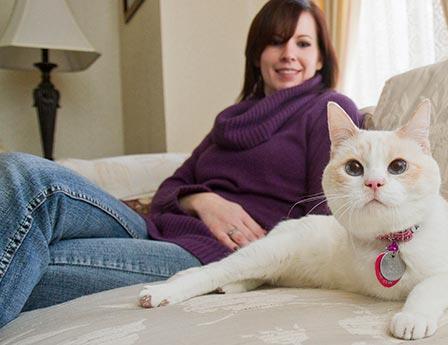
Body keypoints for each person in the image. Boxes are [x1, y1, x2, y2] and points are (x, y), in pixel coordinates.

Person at [0, 0, 361, 328]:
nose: (288, 54)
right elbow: (167, 192)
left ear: (320, 57)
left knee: (26, 254)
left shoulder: (328, 110)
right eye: (276, 41)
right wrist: (203, 200)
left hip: (208, 255)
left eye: (302, 43)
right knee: (23, 174)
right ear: (255, 54)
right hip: (153, 226)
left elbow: (330, 219)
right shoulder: (231, 119)